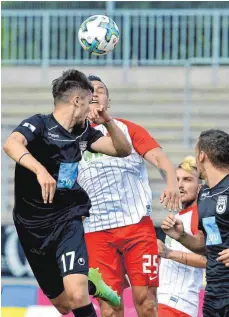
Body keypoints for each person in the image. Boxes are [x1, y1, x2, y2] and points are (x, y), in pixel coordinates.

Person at [3, 69, 132, 317]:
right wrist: (40, 170)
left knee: (77, 295)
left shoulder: (85, 131)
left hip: (67, 218)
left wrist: (108, 122)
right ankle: (94, 283)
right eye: (90, 99)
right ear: (77, 100)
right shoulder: (39, 124)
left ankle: (86, 286)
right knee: (63, 305)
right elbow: (11, 143)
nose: (93, 105)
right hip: (32, 225)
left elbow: (123, 150)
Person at [77, 74, 181, 317]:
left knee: (145, 301)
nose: (94, 93)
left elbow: (158, 157)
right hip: (96, 231)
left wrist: (171, 180)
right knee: (109, 307)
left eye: (100, 90)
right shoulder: (70, 136)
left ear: (108, 100)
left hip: (136, 227)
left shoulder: (127, 128)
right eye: (88, 90)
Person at [161, 129, 229, 317]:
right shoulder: (206, 194)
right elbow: (209, 244)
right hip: (214, 294)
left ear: (202, 156)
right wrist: (181, 236)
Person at [157, 156, 206, 317]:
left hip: (178, 304)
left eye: (187, 179)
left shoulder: (198, 214)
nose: (180, 185)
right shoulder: (180, 214)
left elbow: (208, 259)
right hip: (167, 301)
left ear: (199, 187)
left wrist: (169, 253)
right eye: (177, 179)